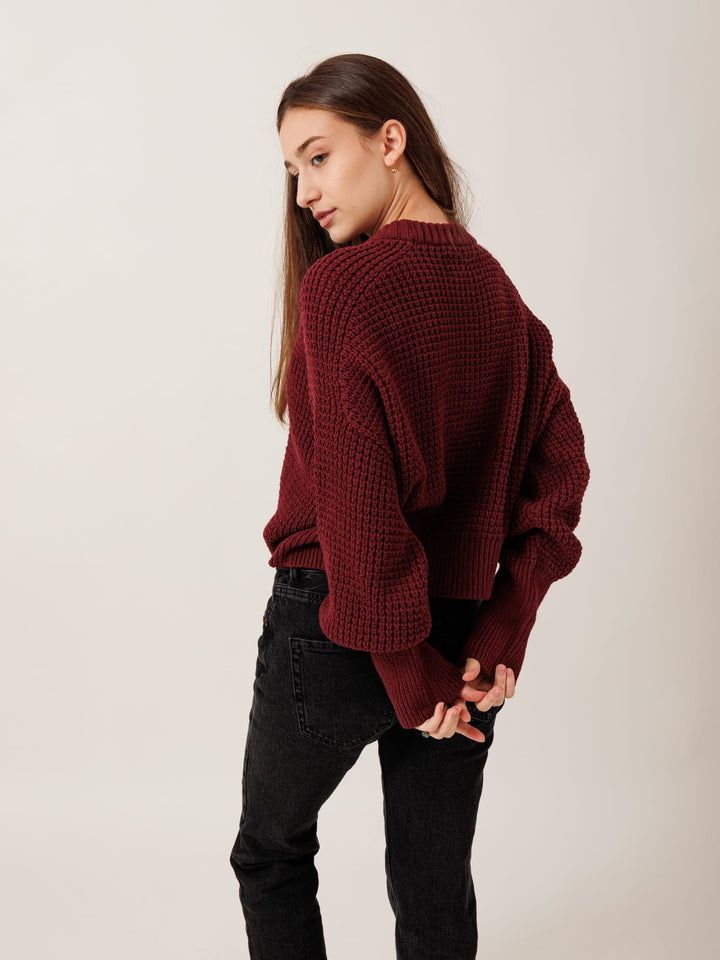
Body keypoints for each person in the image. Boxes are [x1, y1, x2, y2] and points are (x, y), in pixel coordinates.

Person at [229, 53, 590, 960]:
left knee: (271, 853)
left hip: (339, 624)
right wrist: (503, 628)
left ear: (391, 140)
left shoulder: (342, 290)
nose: (304, 190)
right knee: (434, 884)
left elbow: (356, 509)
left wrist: (401, 667)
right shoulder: (502, 299)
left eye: (318, 156)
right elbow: (562, 475)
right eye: (291, 170)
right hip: (465, 638)